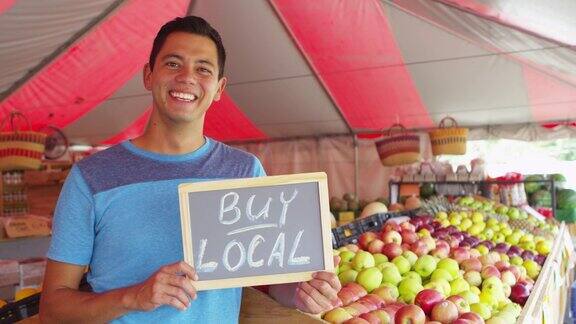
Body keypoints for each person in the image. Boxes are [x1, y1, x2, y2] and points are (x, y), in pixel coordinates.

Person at [39, 16, 341, 323]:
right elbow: (52, 309)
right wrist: (134, 296)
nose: (187, 77)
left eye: (203, 69)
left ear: (219, 88)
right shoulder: (91, 177)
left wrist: (303, 293)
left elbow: (271, 281)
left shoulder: (243, 171)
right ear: (148, 75)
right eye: (173, 64)